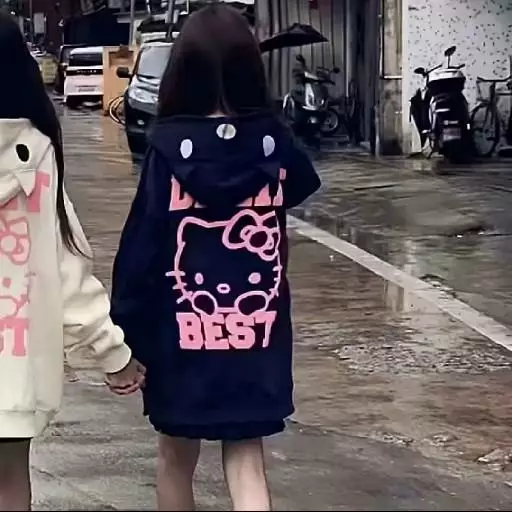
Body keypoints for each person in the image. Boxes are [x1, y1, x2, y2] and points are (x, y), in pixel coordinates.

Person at [110, 4, 321, 511]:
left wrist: (124, 341)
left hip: (180, 343)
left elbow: (140, 252)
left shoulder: (166, 151)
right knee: (247, 462)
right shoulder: (274, 144)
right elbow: (303, 184)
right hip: (258, 341)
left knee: (174, 459)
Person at [0, 13, 145, 511]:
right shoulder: (36, 152)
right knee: (10, 482)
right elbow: (67, 271)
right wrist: (113, 353)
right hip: (13, 375)